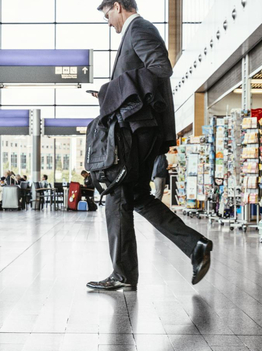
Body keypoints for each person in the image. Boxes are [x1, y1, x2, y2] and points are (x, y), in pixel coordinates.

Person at [86, 0, 213, 291]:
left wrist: (112, 90)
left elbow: (160, 68)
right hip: (143, 129)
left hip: (139, 131)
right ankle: (195, 245)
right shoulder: (136, 32)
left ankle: (123, 274)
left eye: (107, 15)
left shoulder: (139, 28)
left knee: (116, 192)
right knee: (138, 196)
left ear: (118, 6)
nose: (108, 22)